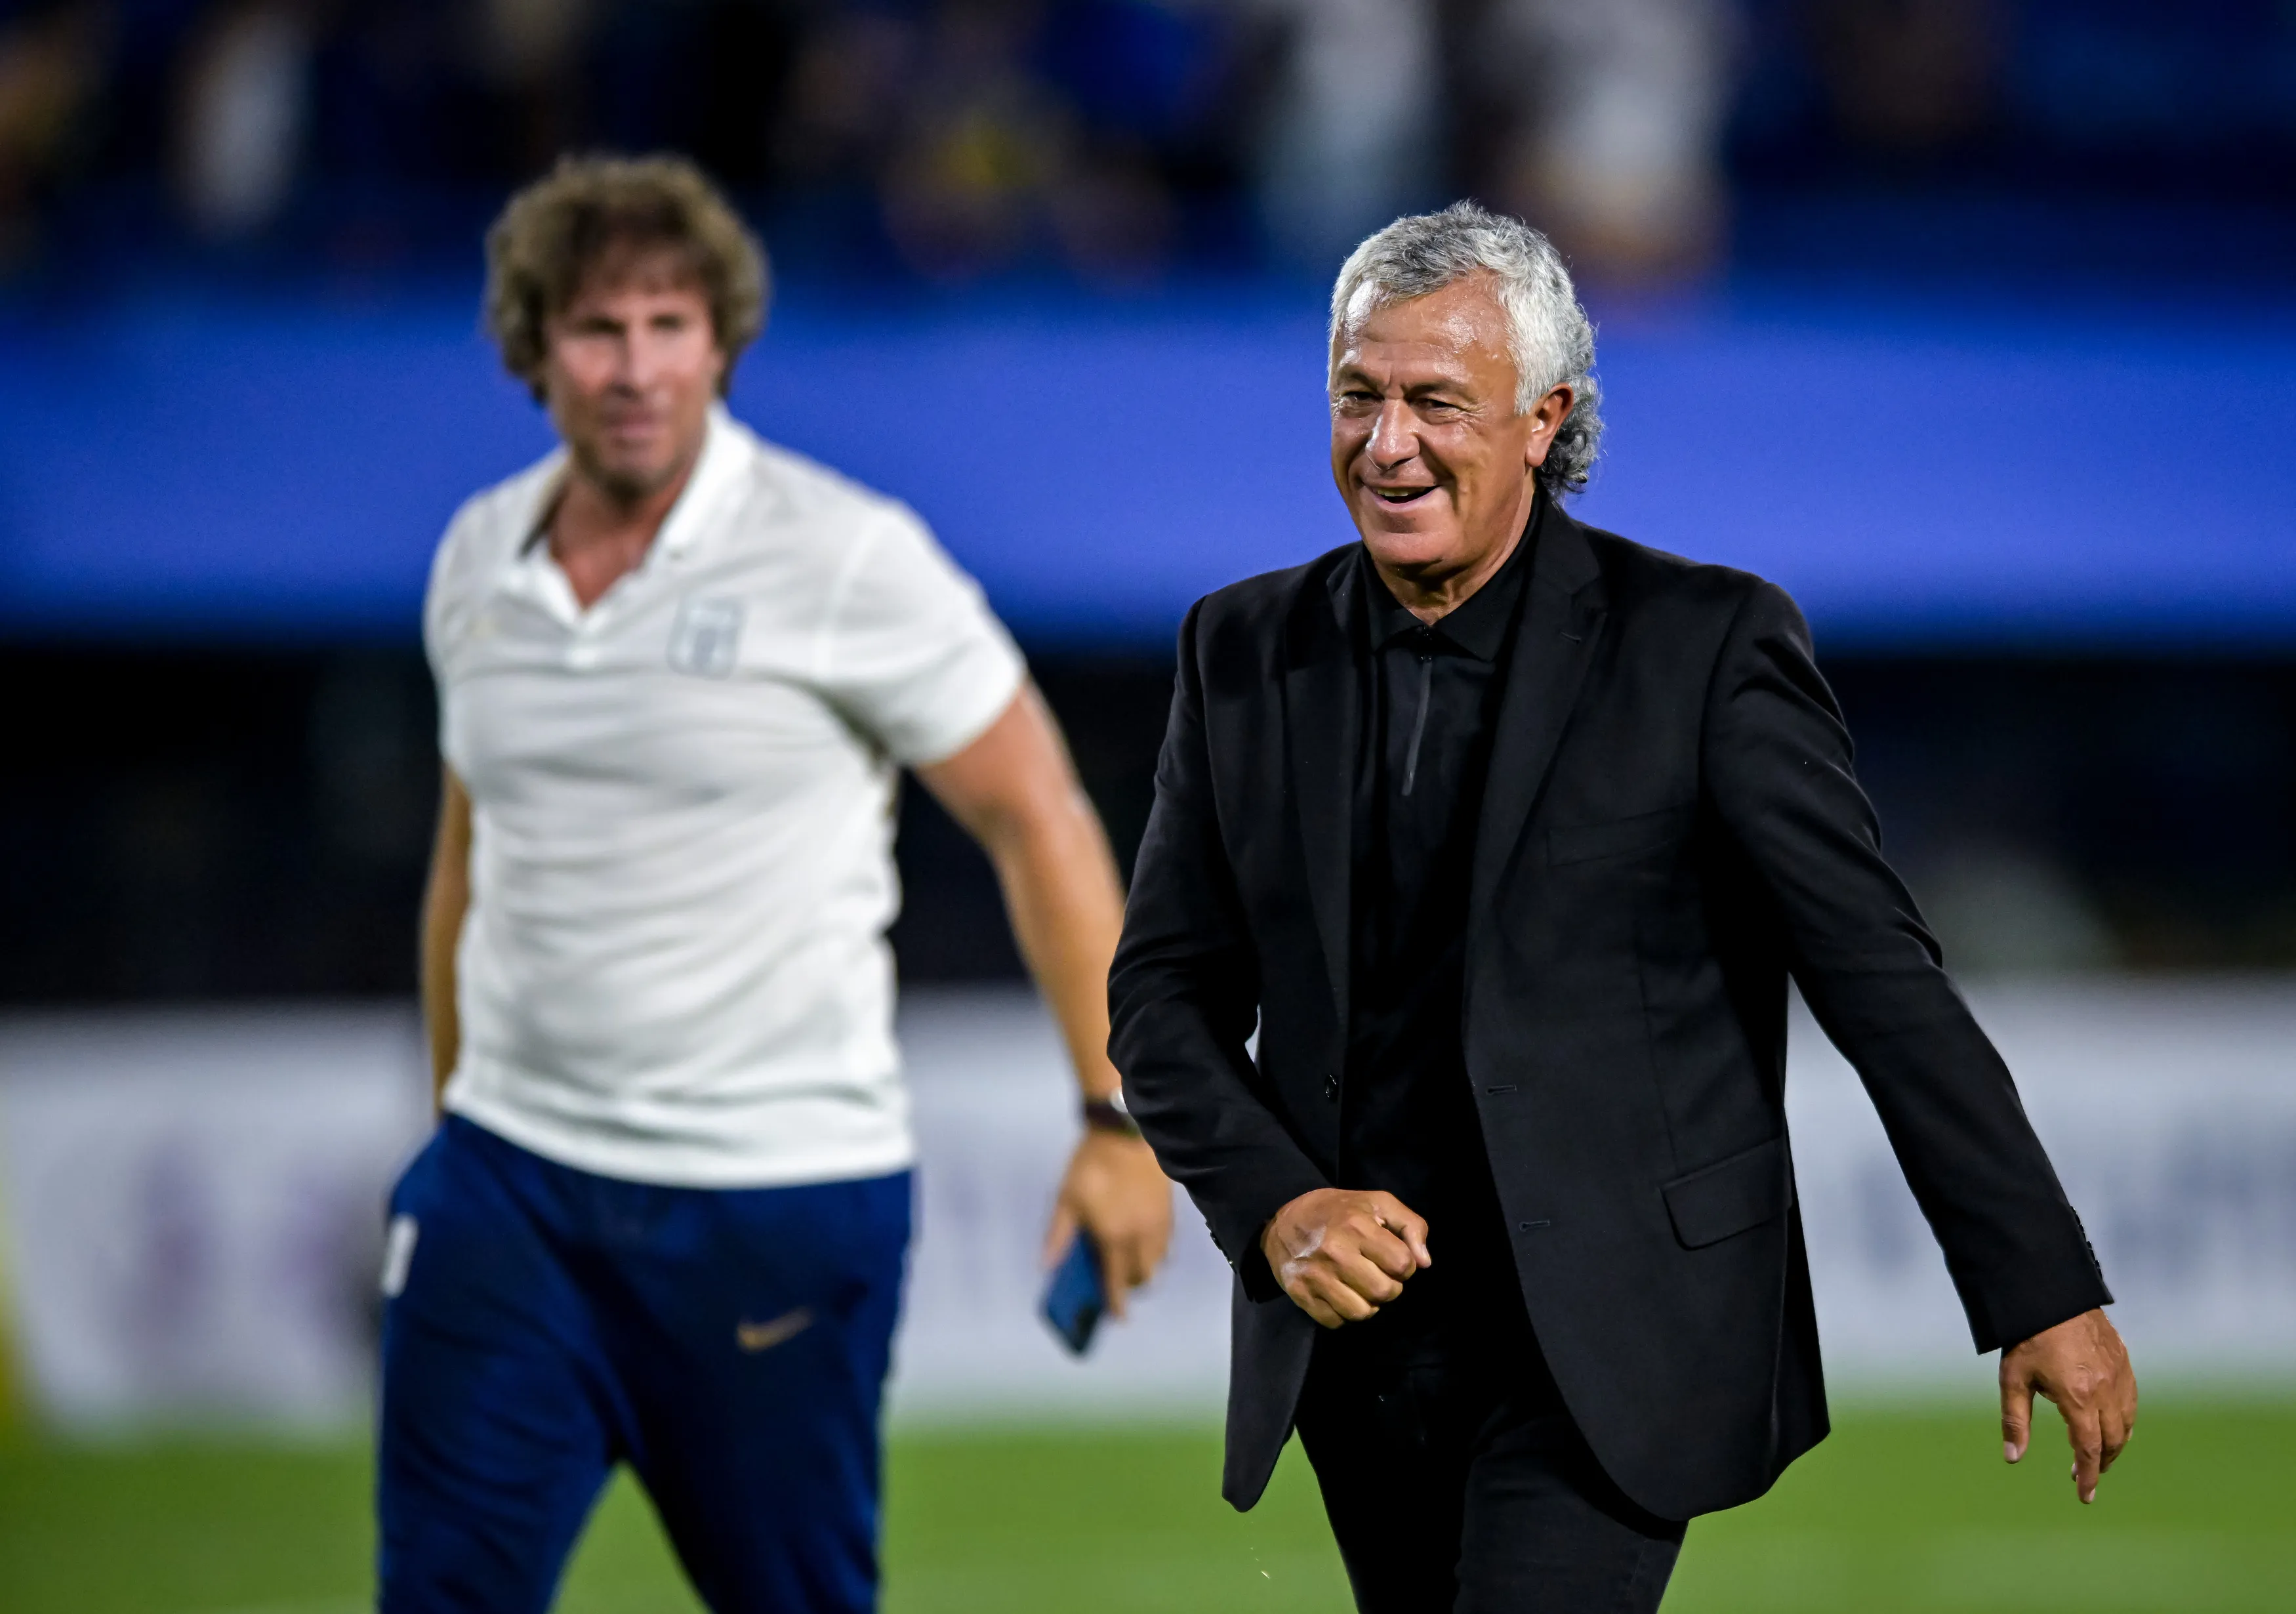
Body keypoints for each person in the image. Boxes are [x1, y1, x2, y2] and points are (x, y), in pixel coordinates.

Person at [1106, 200, 2137, 1613]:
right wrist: (1278, 1207)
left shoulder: (1703, 649)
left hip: (1611, 1338)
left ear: (1544, 418)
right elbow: (1160, 1005)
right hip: (1362, 1351)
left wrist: (2036, 1281)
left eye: (1433, 402)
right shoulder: (1238, 651)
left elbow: (1877, 981)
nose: (1386, 442)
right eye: (1357, 396)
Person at [380, 153, 1172, 1614]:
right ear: (531, 349)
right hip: (510, 1200)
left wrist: (1114, 1116)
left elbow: (1039, 816)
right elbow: (466, 863)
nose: (634, 369)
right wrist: (448, 1132)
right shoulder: (475, 559)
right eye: (597, 330)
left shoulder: (847, 556)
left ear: (724, 343)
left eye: (668, 326)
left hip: (772, 1203)